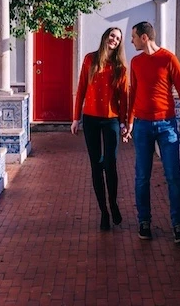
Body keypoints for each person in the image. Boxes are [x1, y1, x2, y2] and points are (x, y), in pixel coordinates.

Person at [123, 21, 180, 243]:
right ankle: (144, 221)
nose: (132, 41)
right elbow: (133, 92)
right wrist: (129, 122)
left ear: (144, 37)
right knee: (142, 176)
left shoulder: (168, 59)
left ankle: (178, 224)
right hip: (142, 126)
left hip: (167, 125)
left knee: (173, 176)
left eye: (134, 37)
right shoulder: (135, 62)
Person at [71, 27, 128, 231]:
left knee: (110, 164)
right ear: (105, 37)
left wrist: (124, 123)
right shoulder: (90, 59)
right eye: (112, 36)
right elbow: (81, 89)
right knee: (96, 165)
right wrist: (76, 118)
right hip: (91, 119)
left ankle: (113, 203)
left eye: (118, 38)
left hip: (111, 119)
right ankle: (103, 211)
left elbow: (124, 97)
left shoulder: (120, 67)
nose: (114, 40)